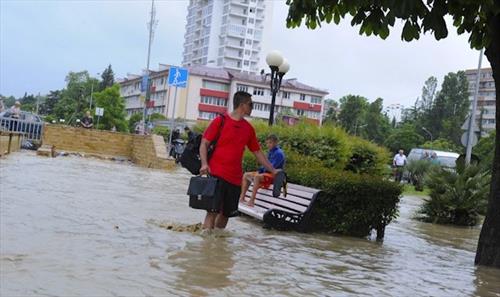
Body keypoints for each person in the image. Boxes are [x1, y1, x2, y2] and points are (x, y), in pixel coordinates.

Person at [199, 91, 278, 230]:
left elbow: (257, 152)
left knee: (226, 214)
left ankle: (217, 246)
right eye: (251, 104)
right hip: (216, 174)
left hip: (235, 178)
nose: (252, 107)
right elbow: (204, 144)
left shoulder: (248, 129)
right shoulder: (220, 121)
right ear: (242, 105)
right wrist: (204, 164)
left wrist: (273, 170)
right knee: (212, 212)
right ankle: (206, 246)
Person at [239, 134, 285, 207]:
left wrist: (261, 171)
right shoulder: (270, 152)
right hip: (265, 173)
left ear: (276, 143)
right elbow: (264, 165)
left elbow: (271, 167)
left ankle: (252, 201)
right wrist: (260, 170)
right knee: (246, 175)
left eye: (270, 143)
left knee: (257, 177)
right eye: (267, 143)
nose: (268, 145)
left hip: (274, 175)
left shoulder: (279, 153)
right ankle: (241, 198)